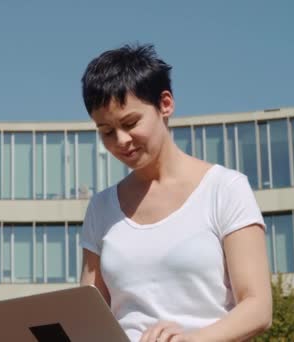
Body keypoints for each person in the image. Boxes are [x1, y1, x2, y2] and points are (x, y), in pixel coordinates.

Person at [79, 44, 272, 342]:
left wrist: (190, 341)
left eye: (130, 123)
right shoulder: (101, 208)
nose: (121, 140)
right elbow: (87, 315)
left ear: (165, 104)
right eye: (106, 131)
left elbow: (258, 308)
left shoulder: (225, 189)